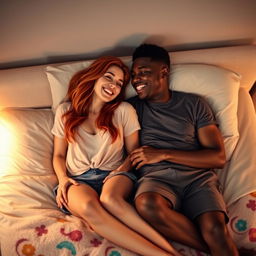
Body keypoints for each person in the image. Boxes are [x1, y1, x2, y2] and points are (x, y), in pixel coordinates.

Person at [51, 56, 181, 256]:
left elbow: (134, 152)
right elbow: (59, 155)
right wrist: (62, 180)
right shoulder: (65, 111)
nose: (113, 86)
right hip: (78, 179)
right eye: (109, 77)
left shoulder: (123, 110)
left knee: (110, 199)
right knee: (89, 207)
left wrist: (120, 170)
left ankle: (170, 250)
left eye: (119, 83)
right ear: (94, 77)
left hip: (115, 174)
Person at [128, 44, 239, 256]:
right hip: (157, 179)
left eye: (143, 73)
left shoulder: (194, 104)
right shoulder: (131, 108)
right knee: (147, 204)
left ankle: (220, 245)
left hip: (198, 180)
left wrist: (163, 153)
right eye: (133, 75)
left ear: (164, 72)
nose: (136, 81)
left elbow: (218, 157)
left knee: (215, 229)